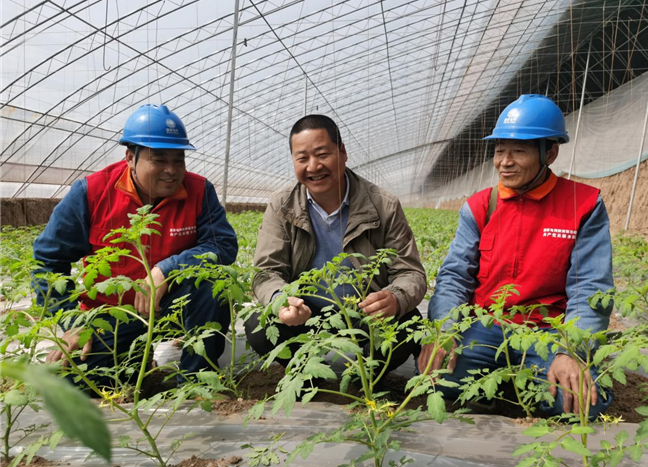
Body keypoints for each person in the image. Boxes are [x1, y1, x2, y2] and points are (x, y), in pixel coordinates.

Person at [421, 94, 614, 417]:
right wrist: (445, 331)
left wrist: (572, 350)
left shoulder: (583, 205)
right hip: (486, 326)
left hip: (549, 331)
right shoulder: (480, 206)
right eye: (499, 151)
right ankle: (507, 385)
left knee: (578, 405)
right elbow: (455, 276)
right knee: (436, 379)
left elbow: (591, 287)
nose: (504, 162)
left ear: (549, 152)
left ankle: (519, 383)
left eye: (519, 151)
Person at [34, 104, 238, 385]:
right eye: (159, 160)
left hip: (176, 308)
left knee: (216, 282)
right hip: (114, 316)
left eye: (179, 160)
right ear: (130, 157)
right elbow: (47, 262)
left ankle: (196, 382)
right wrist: (72, 323)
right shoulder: (91, 192)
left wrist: (168, 268)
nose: (171, 170)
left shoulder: (200, 190)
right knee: (81, 382)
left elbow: (222, 244)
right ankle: (136, 362)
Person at [246, 114, 426, 371]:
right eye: (302, 158)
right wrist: (281, 300)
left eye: (322, 154)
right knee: (259, 326)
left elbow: (410, 272)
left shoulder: (383, 204)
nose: (313, 166)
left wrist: (394, 298)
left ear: (342, 152)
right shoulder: (282, 205)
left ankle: (365, 382)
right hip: (306, 314)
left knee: (407, 326)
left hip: (366, 312)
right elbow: (266, 271)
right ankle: (309, 375)